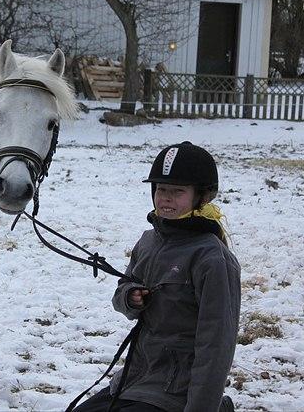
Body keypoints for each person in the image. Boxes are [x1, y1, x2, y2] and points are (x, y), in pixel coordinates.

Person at [72, 141, 241, 412]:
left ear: (201, 197)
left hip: (178, 390)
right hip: (135, 377)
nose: (166, 198)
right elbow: (121, 294)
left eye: (177, 191)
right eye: (161, 189)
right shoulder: (148, 242)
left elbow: (216, 347)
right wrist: (131, 297)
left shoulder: (212, 258)